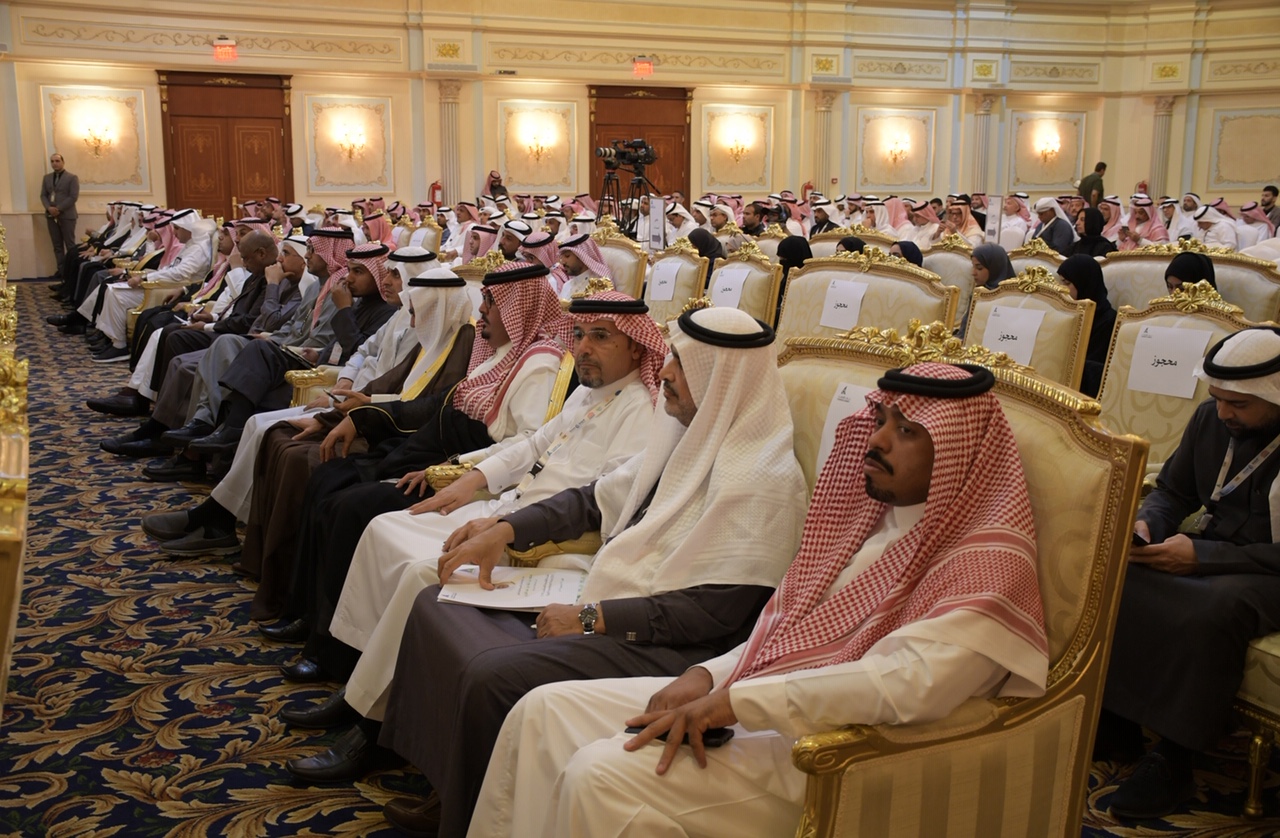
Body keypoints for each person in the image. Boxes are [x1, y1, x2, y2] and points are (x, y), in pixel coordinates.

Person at [471, 362, 1048, 837]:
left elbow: (905, 686)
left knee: (601, 776)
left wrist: (739, 703)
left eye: (908, 431)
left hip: (833, 754)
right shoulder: (869, 521)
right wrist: (707, 676)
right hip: (761, 701)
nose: (876, 440)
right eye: (882, 420)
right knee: (543, 712)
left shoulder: (989, 564)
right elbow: (786, 627)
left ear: (961, 452)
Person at [369, 306, 809, 837]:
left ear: (723, 379)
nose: (666, 372)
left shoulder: (761, 481)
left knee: (492, 676)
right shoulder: (687, 436)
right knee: (435, 605)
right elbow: (593, 499)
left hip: (672, 643)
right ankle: (449, 785)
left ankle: (463, 816)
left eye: (683, 364)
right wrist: (504, 530)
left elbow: (716, 614)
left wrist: (591, 618)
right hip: (618, 600)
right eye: (671, 357)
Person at [280, 292, 667, 780]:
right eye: (579, 334)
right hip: (512, 514)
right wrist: (472, 479)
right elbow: (532, 445)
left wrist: (509, 530)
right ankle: (359, 693)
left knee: (425, 574)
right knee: (387, 527)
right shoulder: (590, 393)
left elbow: (603, 511)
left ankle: (370, 726)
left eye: (600, 337)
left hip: (554, 549)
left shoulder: (641, 412)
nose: (583, 347)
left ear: (636, 347)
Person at [270, 261, 571, 680]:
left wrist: (455, 469)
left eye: (491, 301)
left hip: (465, 474)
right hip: (438, 454)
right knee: (327, 480)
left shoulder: (540, 364)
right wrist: (366, 415)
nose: (482, 309)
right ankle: (311, 614)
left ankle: (334, 653)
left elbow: (524, 443)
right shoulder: (500, 354)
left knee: (351, 507)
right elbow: (440, 404)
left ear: (519, 308)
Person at [1098, 327, 1280, 819]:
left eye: (1239, 404)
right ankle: (1118, 723)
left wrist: (1203, 558)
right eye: (1217, 398)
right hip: (1216, 549)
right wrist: (1148, 525)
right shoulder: (1210, 419)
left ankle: (1175, 759)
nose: (1223, 414)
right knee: (1123, 574)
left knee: (1214, 608)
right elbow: (1173, 491)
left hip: (1269, 568)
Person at [1057, 254, 1115, 397]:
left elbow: (1096, 369)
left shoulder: (1107, 320)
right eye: (1061, 282)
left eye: (1067, 283)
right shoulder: (1061, 312)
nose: (1061, 289)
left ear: (1084, 283)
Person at [41, 153, 80, 275]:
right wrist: (49, 208)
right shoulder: (47, 178)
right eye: (52, 161)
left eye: (57, 161)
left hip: (67, 215)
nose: (55, 163)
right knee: (57, 245)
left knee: (70, 244)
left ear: (63, 162)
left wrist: (58, 208)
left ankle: (72, 271)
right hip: (51, 216)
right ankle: (61, 270)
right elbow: (43, 195)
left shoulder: (72, 178)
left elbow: (73, 197)